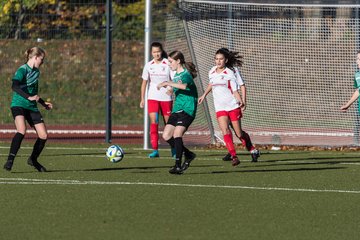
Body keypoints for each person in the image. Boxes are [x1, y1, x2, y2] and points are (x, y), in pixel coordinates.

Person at [198, 48, 260, 166]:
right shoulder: (211, 71)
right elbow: (211, 83)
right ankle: (233, 156)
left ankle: (252, 149)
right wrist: (204, 95)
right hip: (220, 107)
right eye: (216, 59)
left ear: (226, 60)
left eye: (221, 59)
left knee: (239, 133)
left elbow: (238, 88)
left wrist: (242, 101)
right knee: (225, 130)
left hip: (232, 106)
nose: (218, 61)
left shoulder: (231, 72)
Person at [3, 47, 53, 172]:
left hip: (31, 107)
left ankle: (33, 160)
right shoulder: (22, 69)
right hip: (18, 104)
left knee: (43, 135)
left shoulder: (36, 72)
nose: (43, 62)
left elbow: (33, 93)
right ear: (35, 57)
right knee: (21, 130)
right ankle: (10, 160)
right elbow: (14, 86)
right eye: (42, 59)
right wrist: (28, 97)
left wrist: (43, 103)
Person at [157, 50, 197, 174]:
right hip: (177, 109)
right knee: (166, 136)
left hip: (187, 109)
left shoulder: (185, 74)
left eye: (171, 62)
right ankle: (188, 154)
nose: (169, 64)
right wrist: (168, 88)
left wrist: (168, 82)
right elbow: (174, 89)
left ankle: (178, 165)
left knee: (177, 134)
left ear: (178, 61)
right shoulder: (176, 76)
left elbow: (184, 86)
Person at [140, 42, 175, 158]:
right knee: (154, 122)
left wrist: (171, 89)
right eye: (154, 52)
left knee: (168, 125)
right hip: (152, 98)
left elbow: (174, 80)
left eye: (158, 51)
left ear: (161, 51)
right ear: (151, 53)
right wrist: (142, 99)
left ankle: (174, 149)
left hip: (166, 99)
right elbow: (144, 83)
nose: (156, 54)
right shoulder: (148, 65)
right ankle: (155, 150)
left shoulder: (167, 64)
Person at [340, 51, 360, 116]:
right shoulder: (357, 75)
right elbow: (358, 91)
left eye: (359, 59)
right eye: (357, 59)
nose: (357, 62)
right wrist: (347, 105)